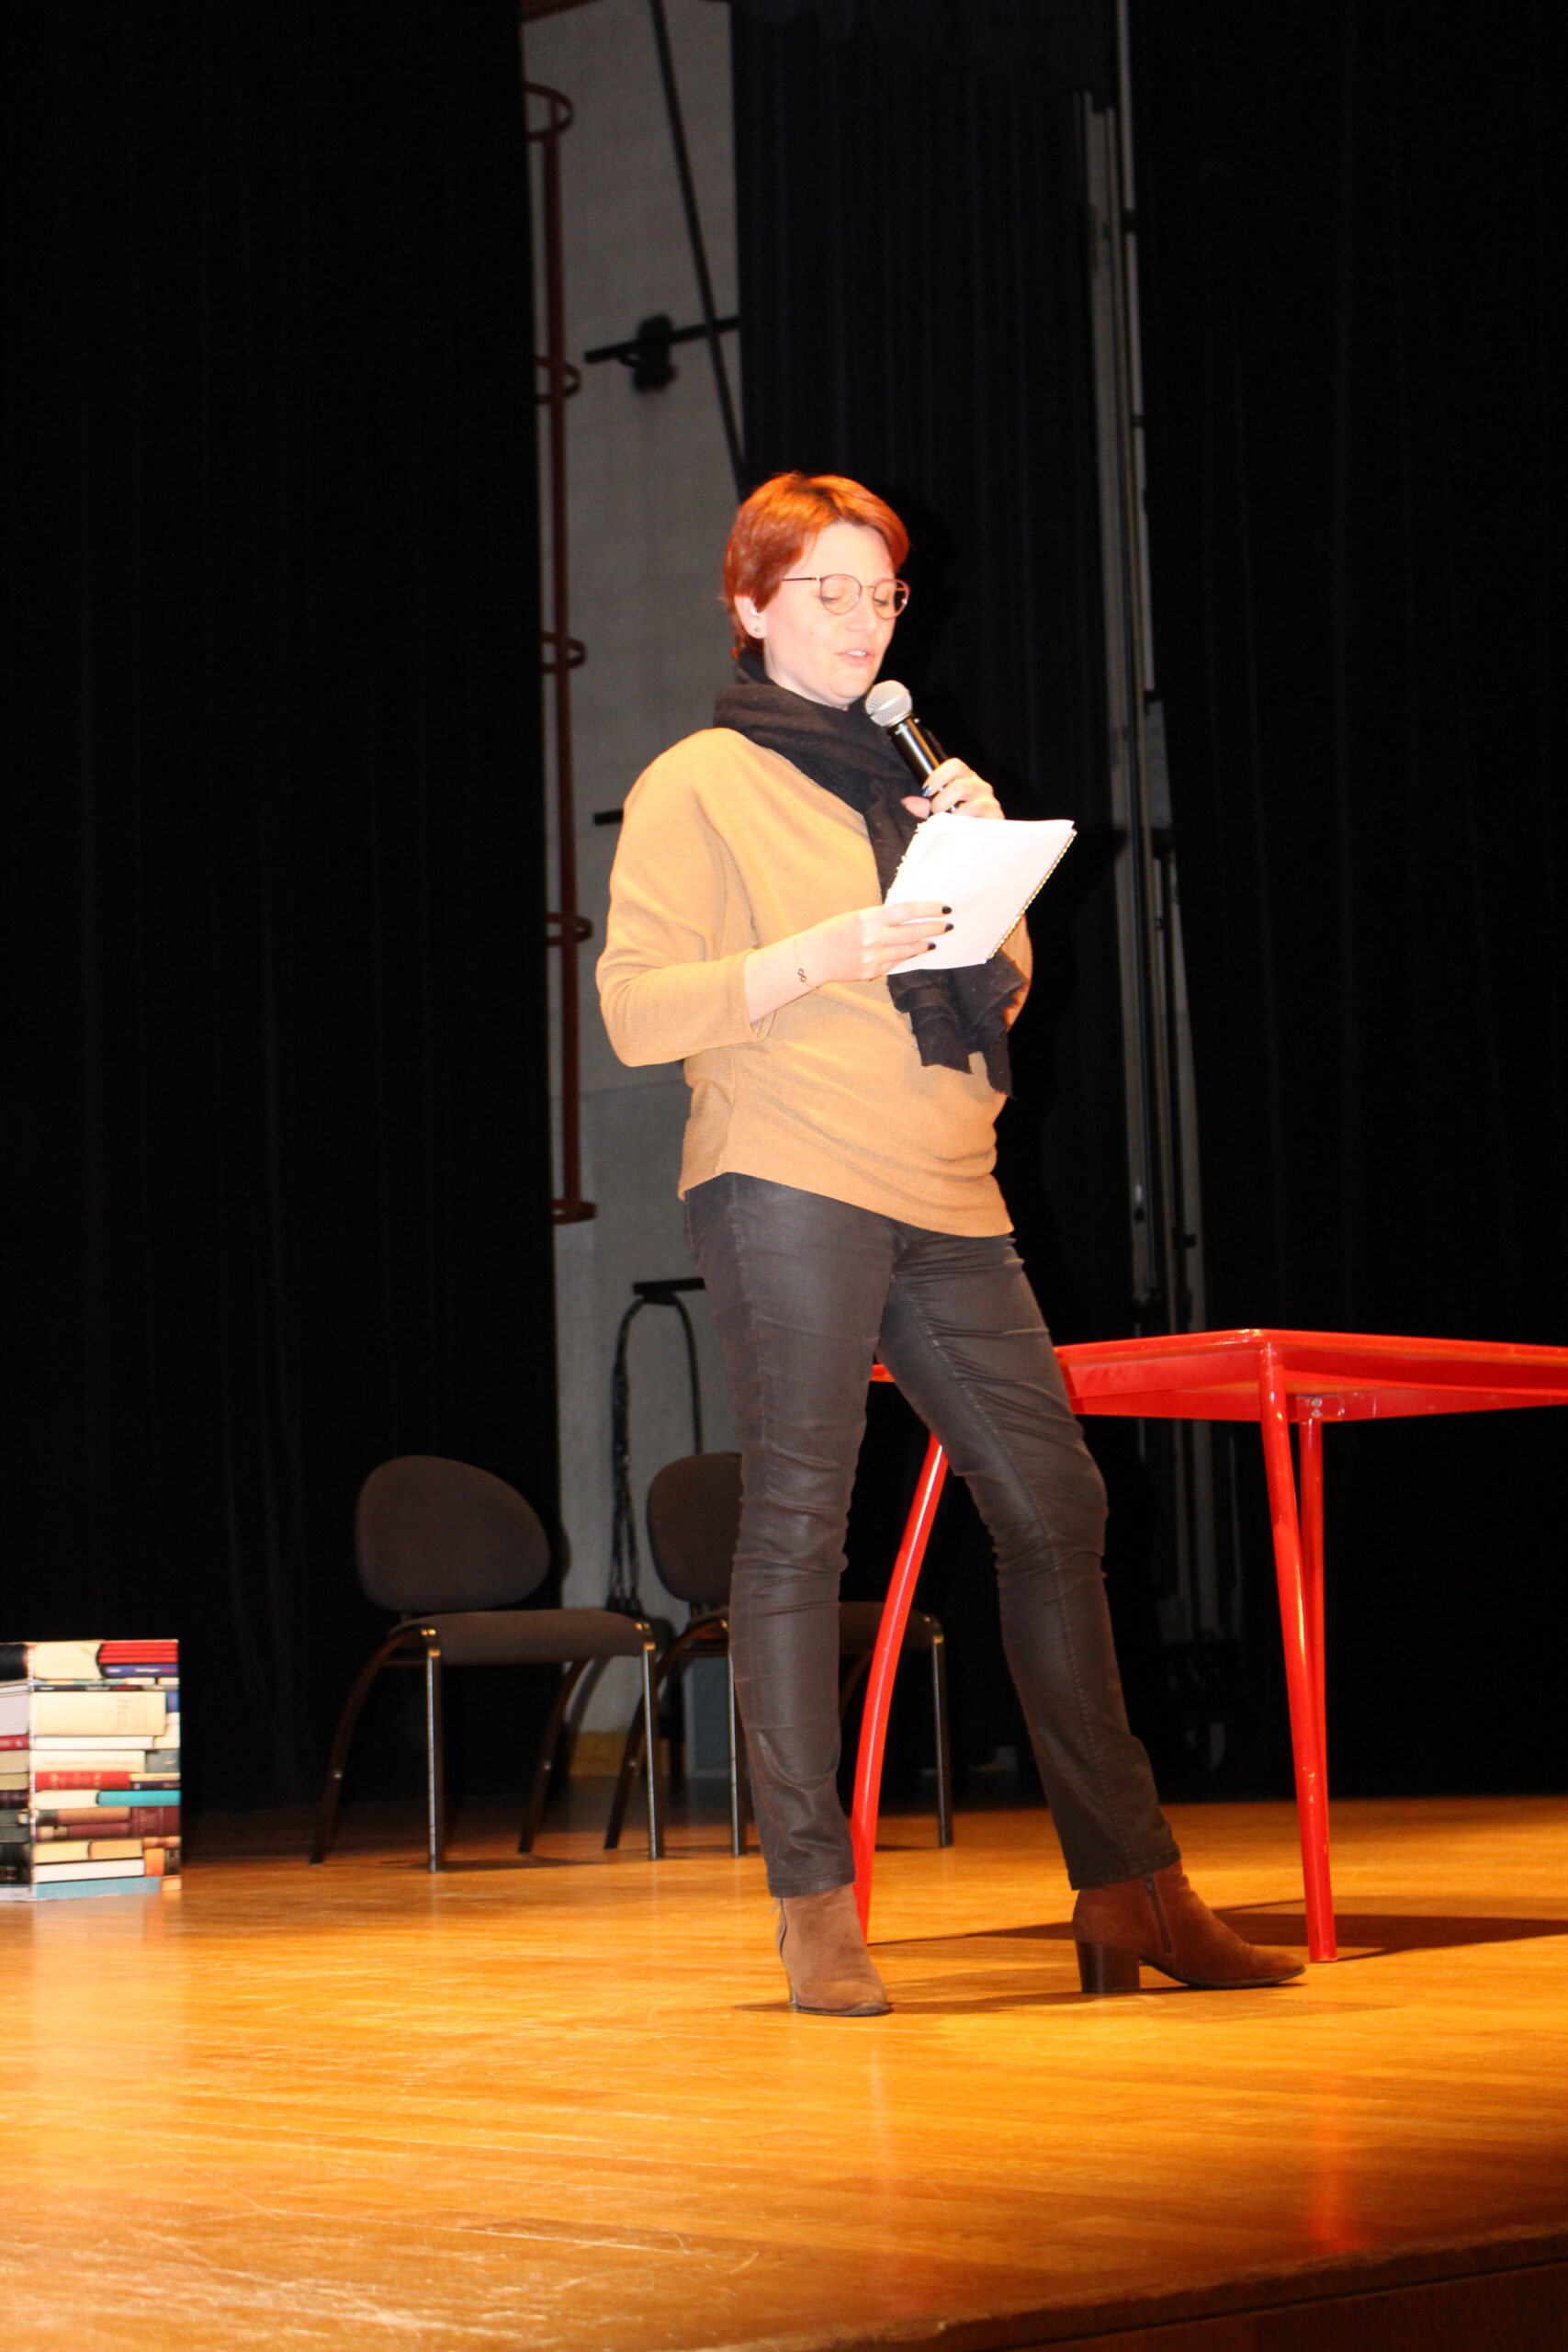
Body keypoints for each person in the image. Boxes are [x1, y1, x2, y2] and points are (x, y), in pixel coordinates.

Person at [597, 471, 1302, 2016]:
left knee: (1056, 1505)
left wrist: (979, 862)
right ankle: (814, 1904)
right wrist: (818, 953)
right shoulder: (698, 781)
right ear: (750, 604)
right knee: (802, 1523)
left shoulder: (920, 775)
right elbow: (635, 1011)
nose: (863, 620)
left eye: (882, 594)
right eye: (827, 590)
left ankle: (1131, 1885)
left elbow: (1003, 989)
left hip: (950, 1185)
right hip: (786, 1174)